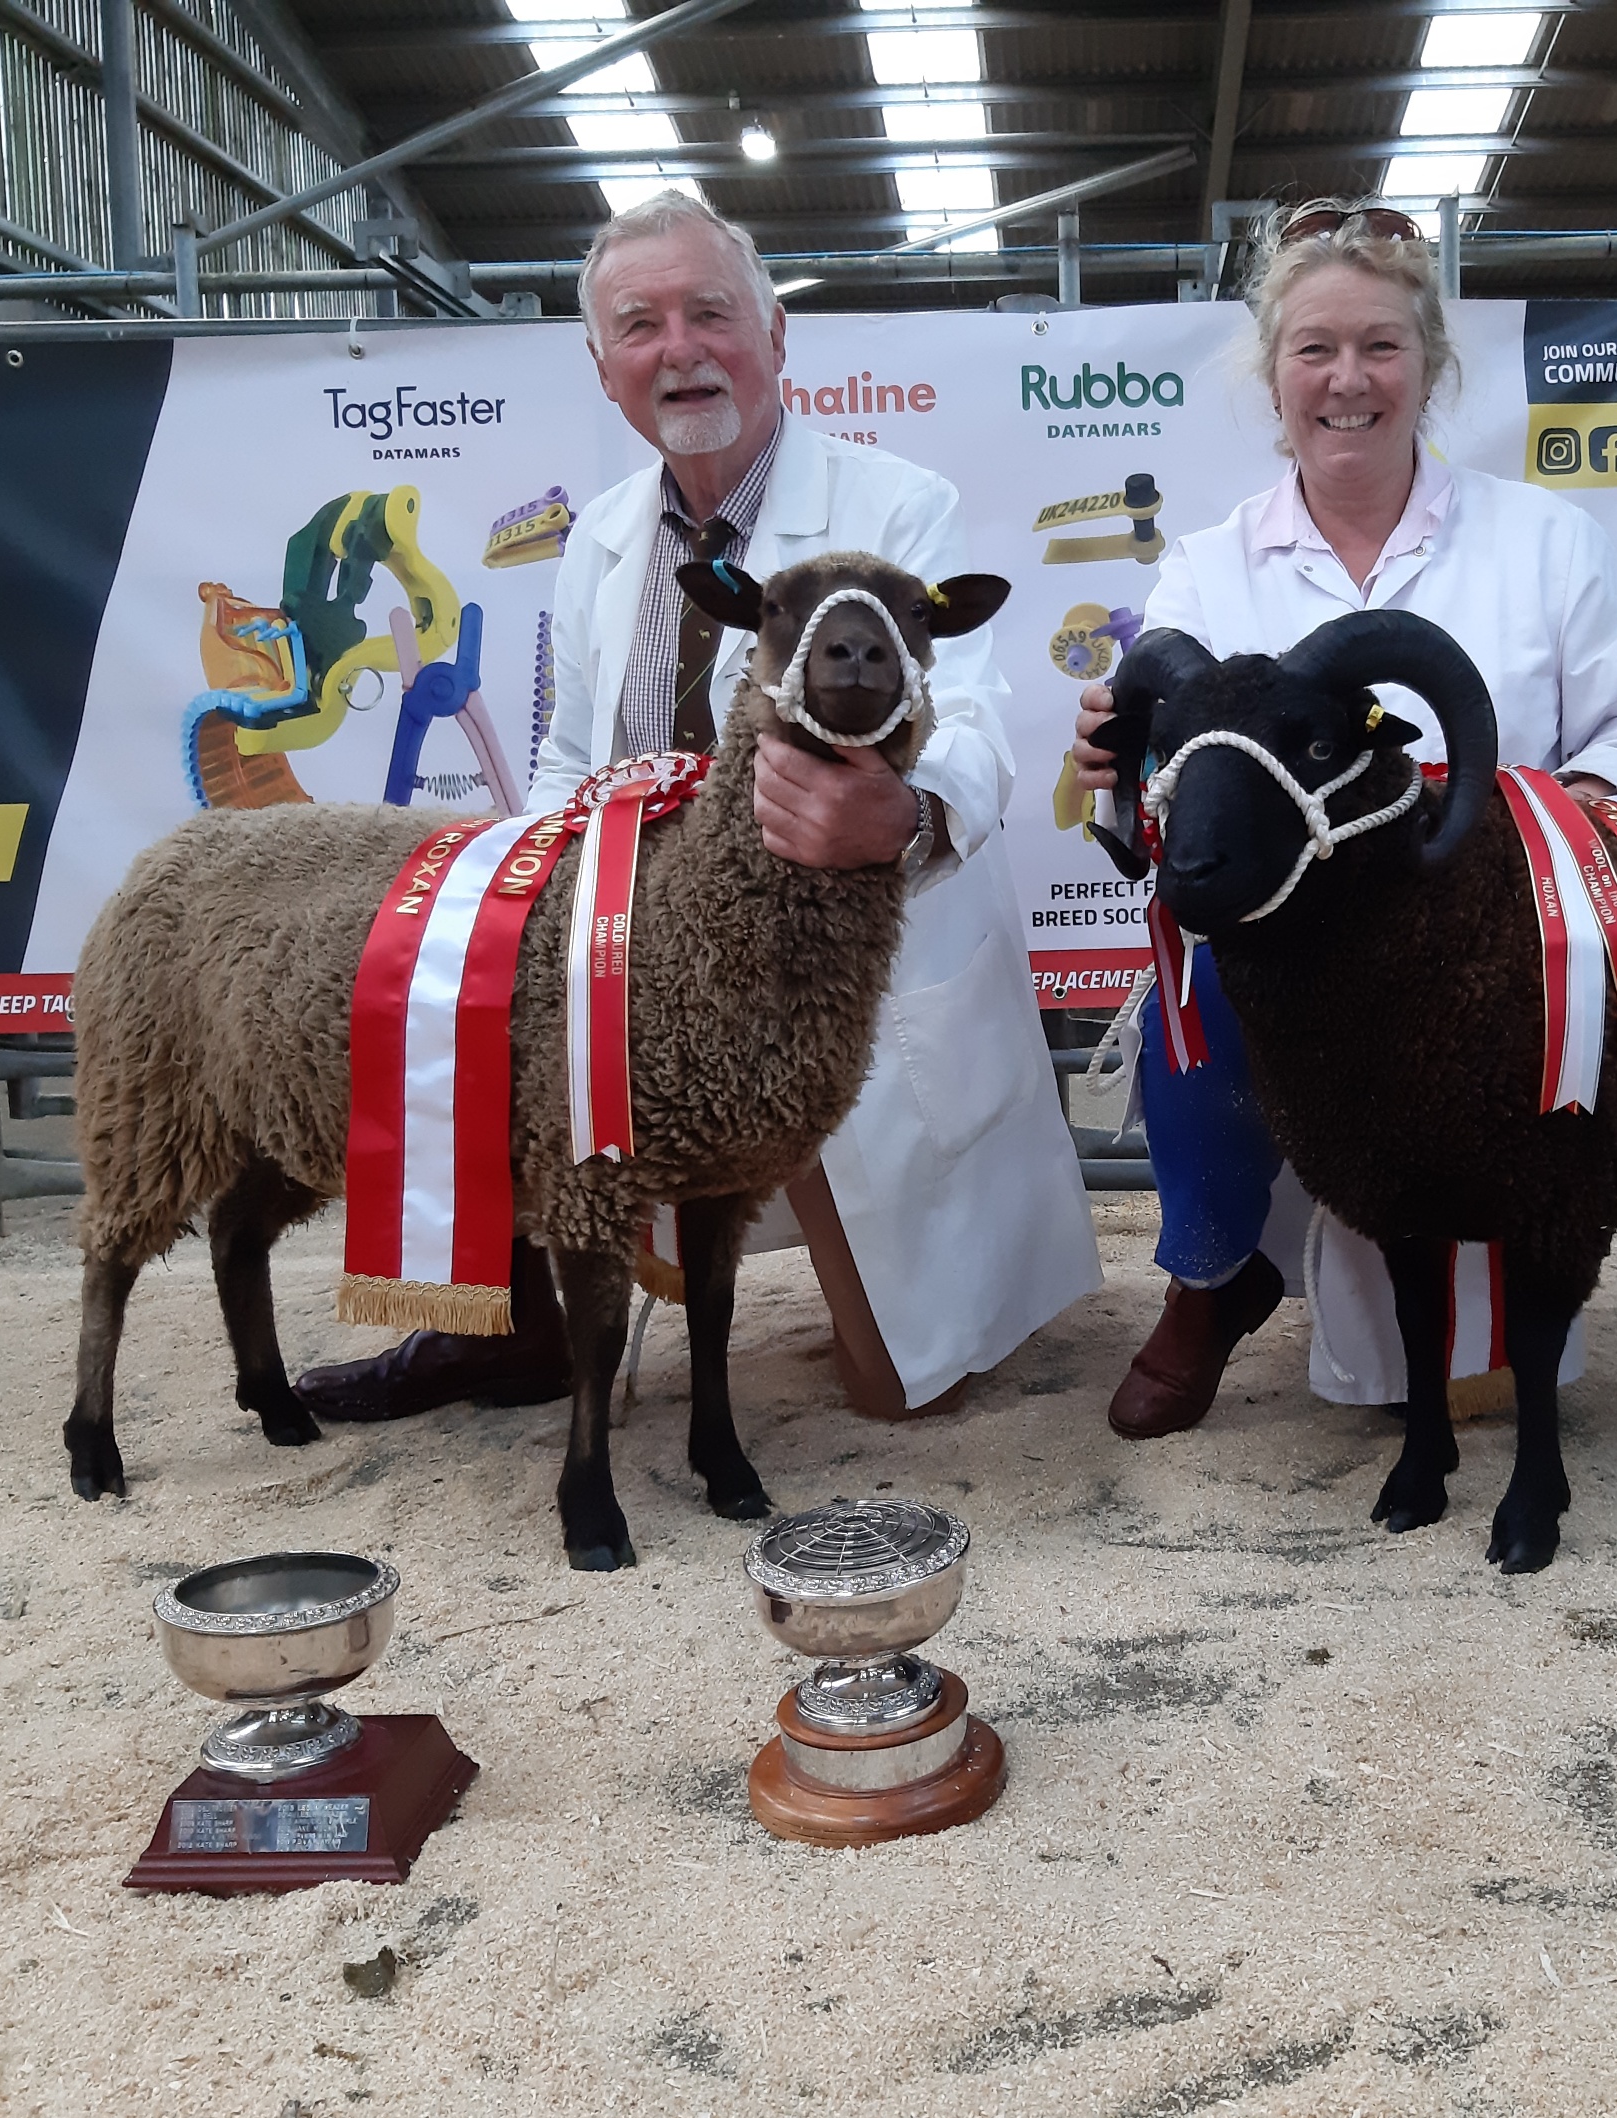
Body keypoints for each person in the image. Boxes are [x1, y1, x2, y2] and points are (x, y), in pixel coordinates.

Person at [301, 191, 1099, 1425]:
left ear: (777, 337)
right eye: (642, 325)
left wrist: (902, 818)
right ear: (605, 369)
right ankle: (500, 1323)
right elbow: (573, 756)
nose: (681, 349)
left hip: (825, 981)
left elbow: (982, 722)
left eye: (712, 314)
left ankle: (890, 1289)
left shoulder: (901, 510)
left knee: (898, 1391)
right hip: (651, 962)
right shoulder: (603, 539)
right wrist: (539, 917)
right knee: (495, 1007)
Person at [1071, 198, 1617, 1441]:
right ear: (1274, 377)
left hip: (1497, 942)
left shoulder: (1547, 542)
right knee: (1195, 989)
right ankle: (1212, 1272)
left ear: (1430, 366)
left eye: (1380, 346)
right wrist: (1117, 761)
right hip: (1303, 947)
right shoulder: (1208, 568)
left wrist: (1551, 816)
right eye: (1314, 350)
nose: (1348, 380)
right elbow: (1165, 772)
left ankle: (1454, 1310)